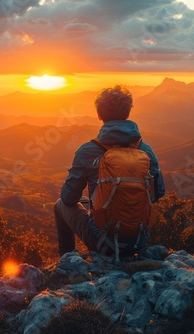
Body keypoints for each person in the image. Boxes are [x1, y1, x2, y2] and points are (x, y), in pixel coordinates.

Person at [54, 85, 165, 257]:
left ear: (99, 115)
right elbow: (158, 193)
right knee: (84, 201)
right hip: (139, 241)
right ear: (128, 113)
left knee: (60, 204)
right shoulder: (145, 151)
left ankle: (67, 261)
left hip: (103, 241)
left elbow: (69, 198)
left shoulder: (87, 151)